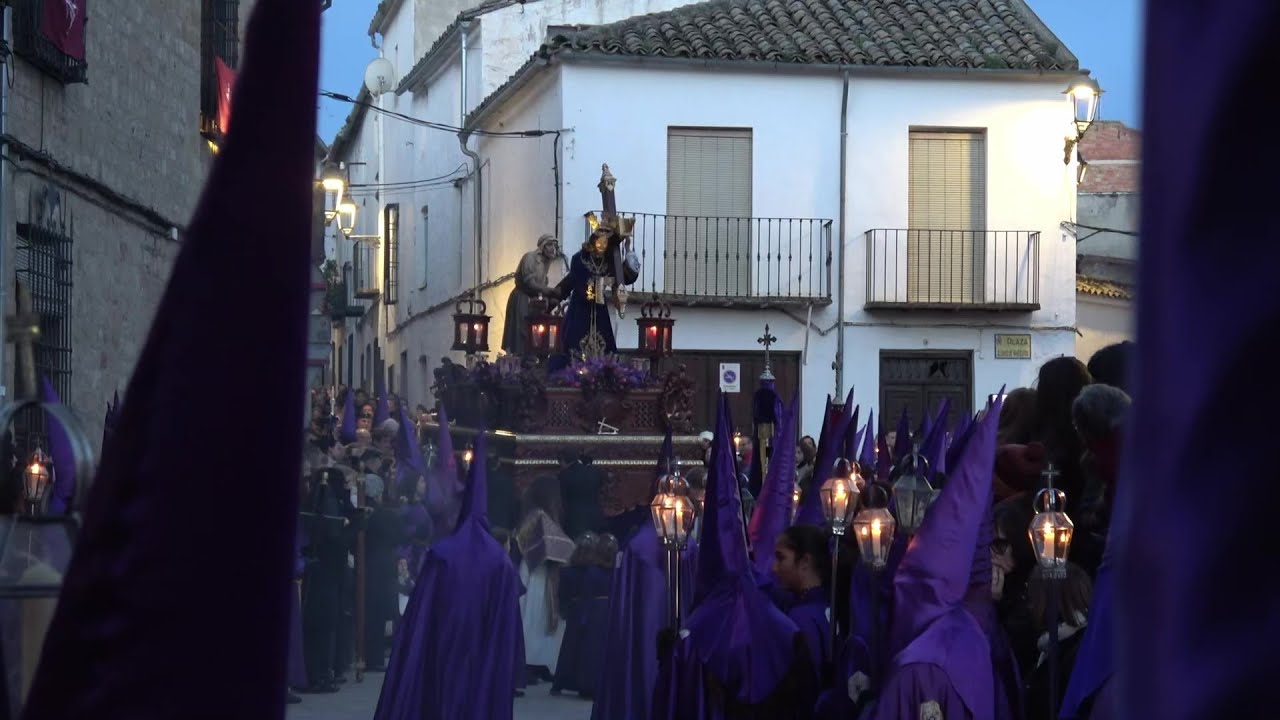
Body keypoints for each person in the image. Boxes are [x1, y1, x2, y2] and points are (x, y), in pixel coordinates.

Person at [373, 432, 524, 719]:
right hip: (481, 649)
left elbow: (422, 616)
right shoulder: (500, 561)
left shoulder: (443, 553)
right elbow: (507, 623)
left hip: (445, 642)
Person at [515, 475, 574, 681]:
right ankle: (530, 660)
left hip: (541, 573)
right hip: (536, 574)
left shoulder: (535, 514)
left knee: (536, 618)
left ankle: (538, 661)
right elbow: (552, 544)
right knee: (533, 617)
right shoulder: (539, 516)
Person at [502, 233, 564, 356]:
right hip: (522, 298)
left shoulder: (546, 263)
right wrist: (550, 291)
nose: (553, 249)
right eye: (550, 245)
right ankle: (519, 360)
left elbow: (541, 285)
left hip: (535, 301)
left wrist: (549, 297)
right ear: (543, 246)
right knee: (521, 331)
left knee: (535, 334)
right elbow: (530, 283)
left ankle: (532, 360)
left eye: (555, 246)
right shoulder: (530, 258)